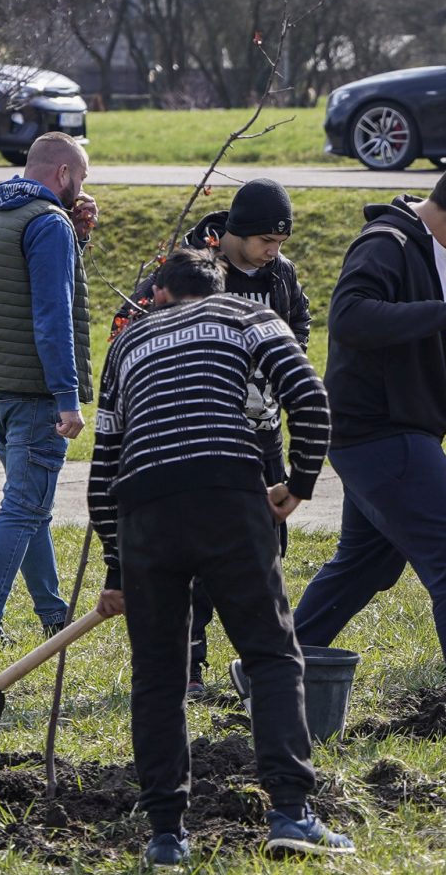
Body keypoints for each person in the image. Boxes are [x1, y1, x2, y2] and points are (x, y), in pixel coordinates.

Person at [87, 248, 342, 864]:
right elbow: (310, 401)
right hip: (227, 493)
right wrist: (298, 484)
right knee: (271, 654)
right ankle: (291, 813)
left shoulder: (126, 343)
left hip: (144, 509)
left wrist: (118, 568)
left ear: (160, 295)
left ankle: (165, 836)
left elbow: (103, 470)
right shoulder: (247, 316)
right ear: (219, 287)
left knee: (158, 675)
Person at [290, 151, 446, 739]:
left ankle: (273, 665)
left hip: (409, 429)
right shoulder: (386, 244)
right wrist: (441, 313)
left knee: (365, 564)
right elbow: (350, 318)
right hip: (376, 432)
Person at [115, 177, 312, 698]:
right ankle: (189, 662)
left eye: (281, 242)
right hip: (201, 435)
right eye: (266, 240)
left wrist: (281, 366)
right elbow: (132, 328)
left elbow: (299, 320)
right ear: (236, 232)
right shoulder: (192, 271)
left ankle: (262, 657)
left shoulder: (280, 274)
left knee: (265, 545)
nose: (273, 251)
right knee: (199, 551)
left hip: (262, 432)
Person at [0, 132, 96, 659]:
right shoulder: (47, 223)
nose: (82, 187)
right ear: (62, 173)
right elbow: (52, 316)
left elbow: (22, 290)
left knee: (32, 506)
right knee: (22, 509)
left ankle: (52, 615)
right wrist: (67, 397)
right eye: (80, 177)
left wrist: (77, 240)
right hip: (36, 392)